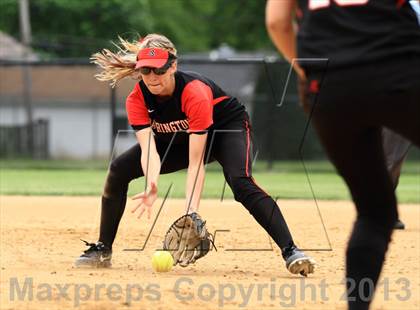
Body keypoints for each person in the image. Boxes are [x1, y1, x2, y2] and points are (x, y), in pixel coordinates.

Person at [75, 33, 316, 276]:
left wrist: (191, 213)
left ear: (173, 66)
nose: (152, 77)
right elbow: (149, 151)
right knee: (118, 169)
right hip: (178, 138)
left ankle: (291, 250)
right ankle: (103, 249)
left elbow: (196, 162)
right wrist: (152, 183)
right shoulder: (136, 99)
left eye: (158, 70)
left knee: (240, 183)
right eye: (145, 70)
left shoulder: (193, 92)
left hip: (224, 130)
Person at [266, 0, 420, 309]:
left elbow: (277, 23)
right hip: (400, 72)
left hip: (328, 85)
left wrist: (308, 71)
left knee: (374, 213)